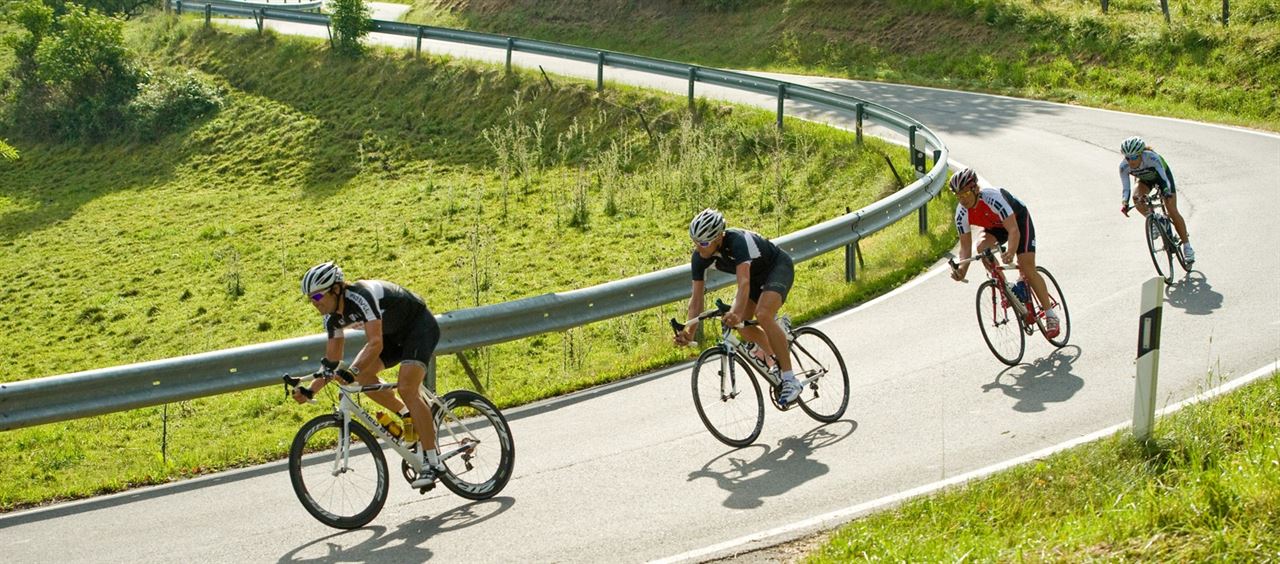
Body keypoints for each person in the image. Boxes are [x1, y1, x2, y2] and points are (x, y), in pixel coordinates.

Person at [292, 262, 443, 488]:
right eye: (309, 299)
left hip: (418, 328)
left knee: (406, 388)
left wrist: (352, 370)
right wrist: (310, 390)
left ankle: (434, 462)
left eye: (316, 297)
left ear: (335, 289)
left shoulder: (361, 296)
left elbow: (375, 342)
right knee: (363, 377)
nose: (314, 304)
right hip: (391, 336)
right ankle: (407, 415)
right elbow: (332, 362)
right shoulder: (331, 318)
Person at [673, 209, 802, 406]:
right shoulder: (699, 257)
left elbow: (743, 283)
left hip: (776, 268)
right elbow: (696, 298)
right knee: (741, 326)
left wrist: (734, 312)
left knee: (763, 314)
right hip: (755, 279)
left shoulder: (737, 242)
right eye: (695, 241)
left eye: (704, 242)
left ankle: (790, 379)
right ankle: (776, 359)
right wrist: (689, 331)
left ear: (718, 237)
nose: (699, 247)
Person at [947, 168, 1061, 339]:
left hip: (1018, 221)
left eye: (965, 193)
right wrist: (962, 270)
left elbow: (1014, 230)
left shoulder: (993, 198)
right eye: (958, 195)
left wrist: (1011, 252)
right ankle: (1006, 289)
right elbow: (965, 248)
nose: (962, 199)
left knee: (1027, 267)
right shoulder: (961, 213)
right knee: (981, 248)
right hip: (995, 228)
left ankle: (1051, 315)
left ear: (975, 189)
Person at [1118, 135, 1194, 262]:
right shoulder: (1123, 167)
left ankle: (1187, 247)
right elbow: (1126, 189)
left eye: (1135, 157)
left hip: (1162, 178)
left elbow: (1164, 179)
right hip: (1144, 180)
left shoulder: (1152, 158)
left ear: (1141, 153)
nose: (1131, 161)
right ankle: (1155, 220)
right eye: (1128, 158)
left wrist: (1166, 192)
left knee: (1171, 210)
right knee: (1137, 199)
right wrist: (1125, 203)